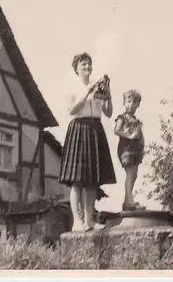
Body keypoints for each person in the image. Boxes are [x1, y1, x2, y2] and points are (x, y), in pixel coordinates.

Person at [58, 52, 116, 231]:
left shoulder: (98, 87)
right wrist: (87, 92)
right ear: (76, 68)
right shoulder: (72, 86)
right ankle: (77, 221)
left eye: (89, 64)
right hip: (79, 127)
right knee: (77, 180)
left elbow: (108, 113)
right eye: (83, 65)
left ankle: (89, 220)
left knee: (92, 180)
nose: (87, 67)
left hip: (95, 129)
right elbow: (71, 109)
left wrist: (108, 94)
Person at [114, 89, 146, 211]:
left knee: (134, 175)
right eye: (128, 102)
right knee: (130, 174)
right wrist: (129, 135)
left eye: (134, 102)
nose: (131, 105)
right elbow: (117, 130)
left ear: (138, 104)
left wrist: (142, 147)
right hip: (126, 149)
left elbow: (140, 135)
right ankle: (128, 201)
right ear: (124, 102)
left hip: (136, 149)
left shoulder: (137, 121)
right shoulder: (122, 117)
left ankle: (129, 199)